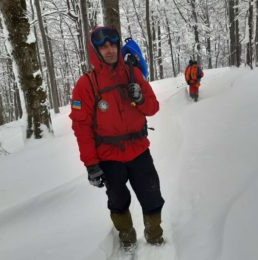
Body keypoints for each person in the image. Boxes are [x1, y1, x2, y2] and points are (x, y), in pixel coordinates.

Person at [69, 26, 165, 252]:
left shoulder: (133, 73)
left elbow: (153, 108)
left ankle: (155, 236)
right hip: (109, 157)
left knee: (151, 194)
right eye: (104, 46)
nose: (110, 50)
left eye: (113, 45)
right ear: (96, 50)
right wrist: (91, 164)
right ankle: (127, 237)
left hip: (139, 150)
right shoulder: (86, 84)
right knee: (118, 201)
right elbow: (81, 127)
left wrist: (140, 98)